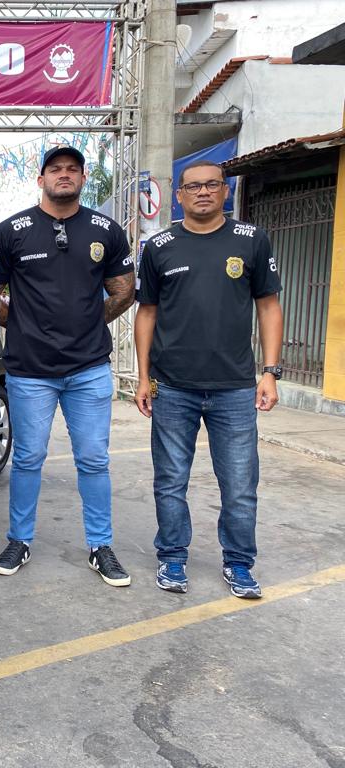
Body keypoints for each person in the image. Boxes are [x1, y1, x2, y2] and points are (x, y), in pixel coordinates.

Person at [134, 160, 283, 599]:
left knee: (239, 486)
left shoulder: (252, 240)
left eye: (212, 185)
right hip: (171, 386)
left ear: (226, 190)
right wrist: (143, 377)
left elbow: (269, 307)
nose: (203, 192)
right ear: (179, 195)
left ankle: (239, 563)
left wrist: (270, 372)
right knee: (170, 481)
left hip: (234, 387)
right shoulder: (159, 246)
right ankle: (172, 557)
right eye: (193, 186)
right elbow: (147, 313)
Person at [0, 146, 135, 587]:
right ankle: (19, 540)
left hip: (88, 369)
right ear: (41, 179)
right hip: (29, 370)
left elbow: (124, 291)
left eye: (73, 169)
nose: (64, 175)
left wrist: (89, 322)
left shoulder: (106, 230)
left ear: (83, 177)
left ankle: (100, 546)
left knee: (93, 459)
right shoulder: (9, 232)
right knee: (28, 458)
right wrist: (24, 324)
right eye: (55, 169)